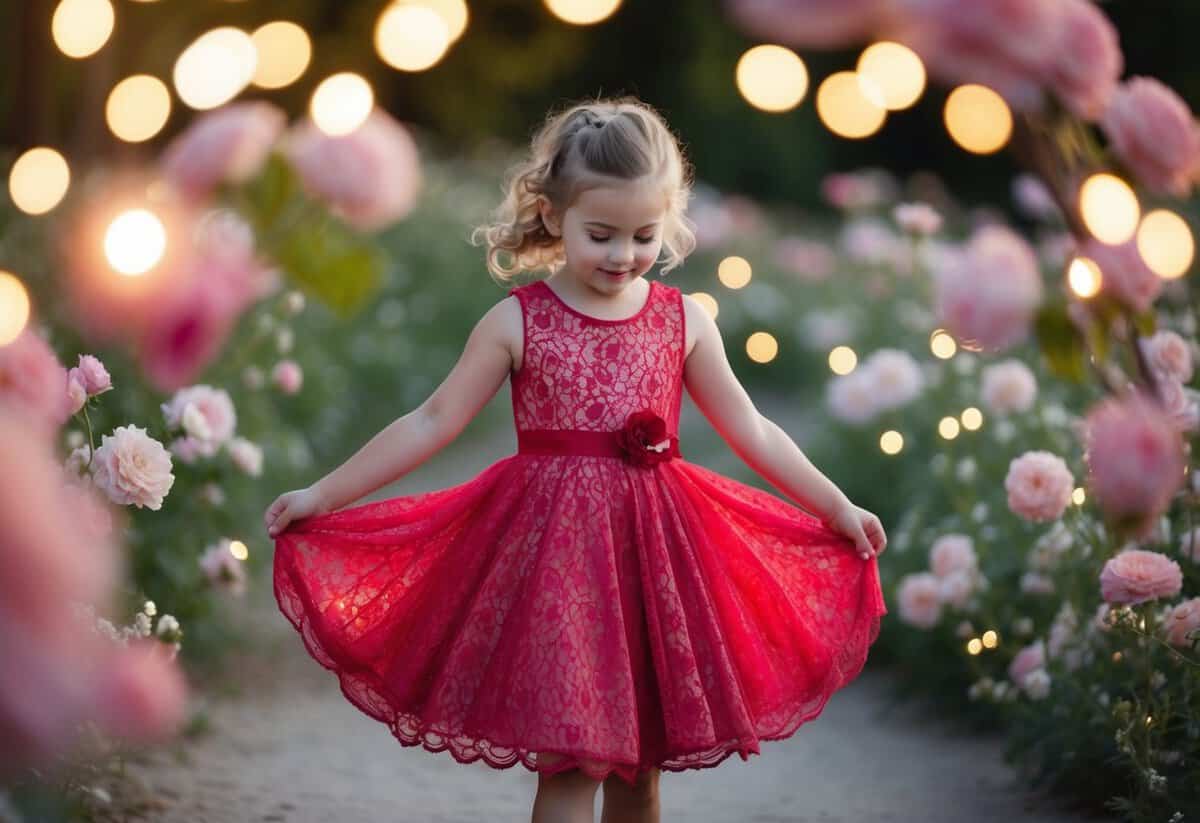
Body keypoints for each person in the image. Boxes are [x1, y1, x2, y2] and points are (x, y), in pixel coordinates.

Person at [265, 96, 888, 823]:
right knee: (571, 768)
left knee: (640, 776)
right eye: (601, 234)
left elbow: (753, 427)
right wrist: (326, 494)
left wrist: (834, 503)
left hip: (652, 564)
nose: (623, 255)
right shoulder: (515, 321)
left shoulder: (684, 321)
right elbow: (432, 420)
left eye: (643, 235)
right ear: (553, 215)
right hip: (556, 571)